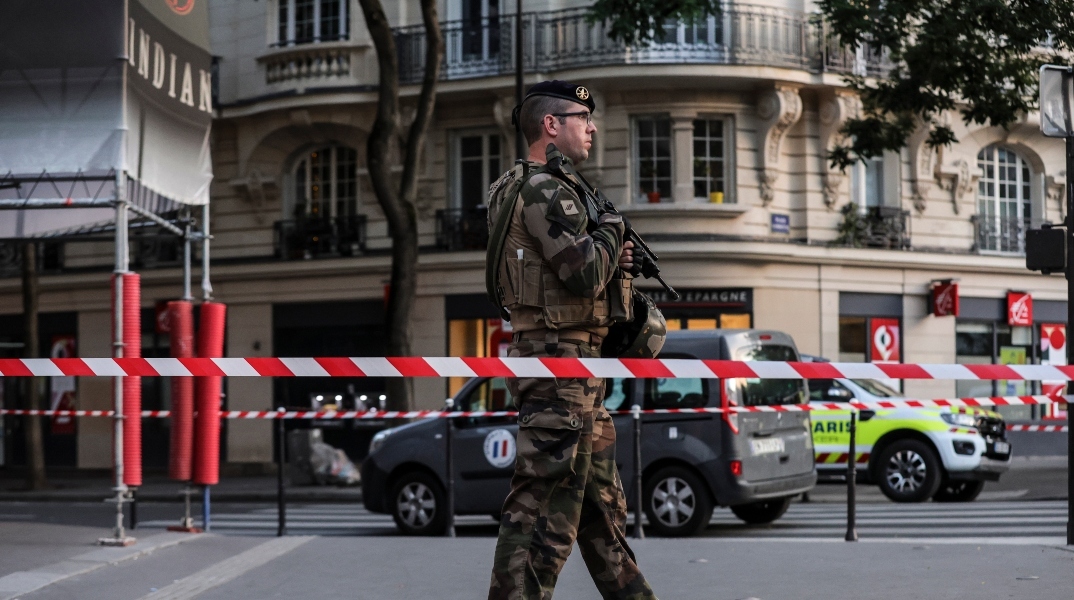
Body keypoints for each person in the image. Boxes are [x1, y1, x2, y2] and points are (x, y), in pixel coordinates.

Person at [485, 80, 658, 600]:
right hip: (559, 364)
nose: (592, 127)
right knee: (541, 510)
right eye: (582, 117)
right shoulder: (543, 188)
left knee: (601, 512)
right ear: (550, 125)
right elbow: (582, 273)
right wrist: (610, 231)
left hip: (577, 365)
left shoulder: (521, 187)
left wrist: (613, 254)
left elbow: (576, 267)